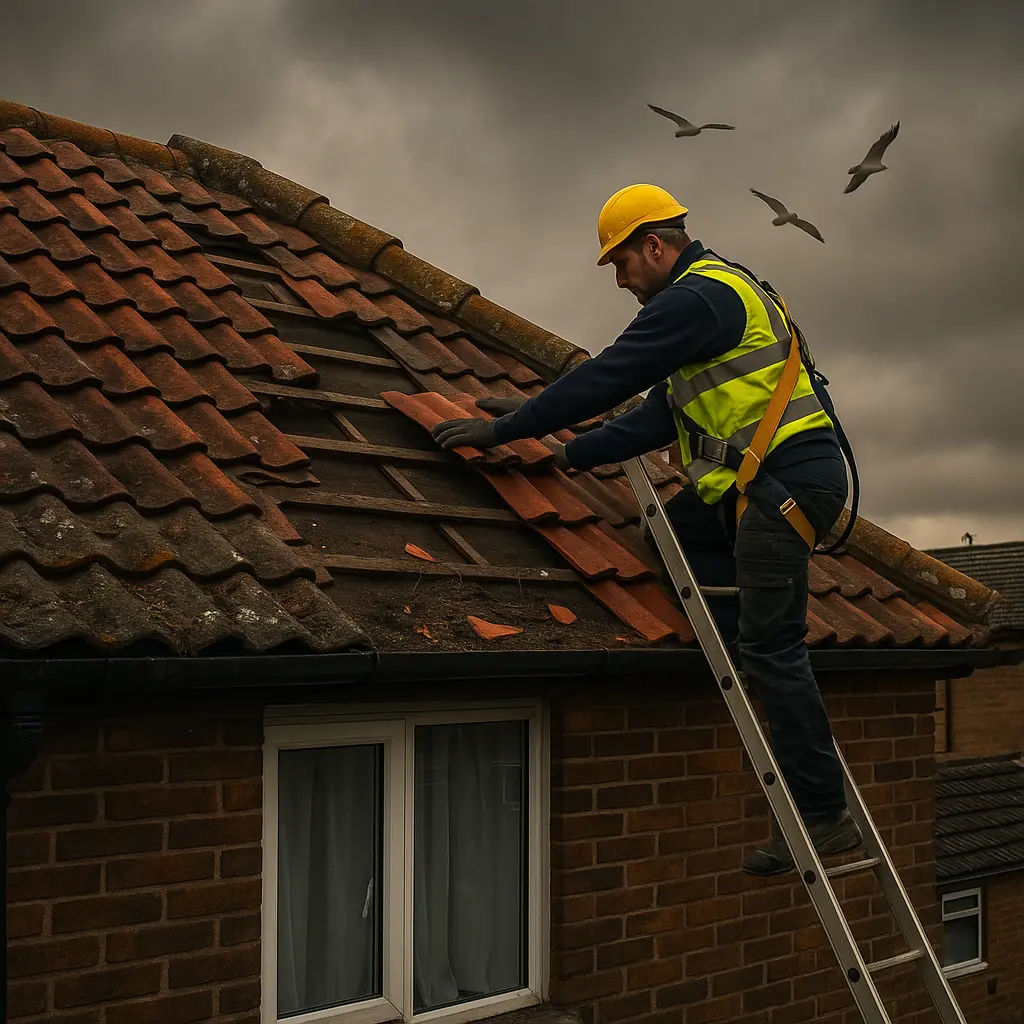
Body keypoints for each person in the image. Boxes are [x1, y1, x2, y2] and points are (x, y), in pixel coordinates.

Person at [430, 184, 862, 875]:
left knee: (773, 650)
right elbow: (653, 417)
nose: (622, 280)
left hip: (784, 485)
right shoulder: (708, 305)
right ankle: (731, 644)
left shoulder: (694, 299)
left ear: (654, 246)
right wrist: (561, 450)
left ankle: (823, 817)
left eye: (622, 265)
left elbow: (610, 375)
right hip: (755, 485)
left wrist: (510, 428)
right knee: (680, 523)